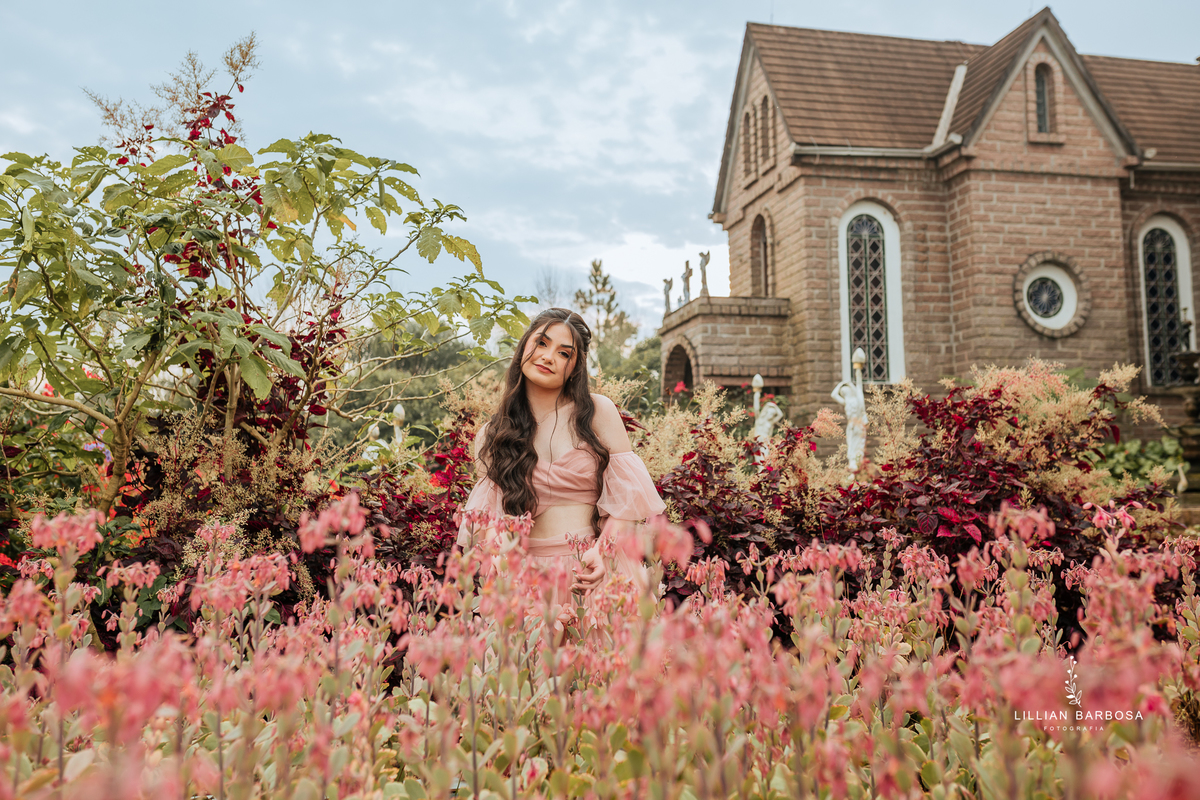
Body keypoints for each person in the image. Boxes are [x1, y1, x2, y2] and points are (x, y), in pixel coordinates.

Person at [455, 308, 665, 597]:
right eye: (541, 342)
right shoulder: (491, 436)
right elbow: (486, 523)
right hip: (526, 582)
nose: (548, 356)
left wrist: (602, 553)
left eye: (564, 353)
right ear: (524, 345)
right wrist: (501, 555)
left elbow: (627, 502)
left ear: (574, 368)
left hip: (594, 571)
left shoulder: (597, 412)